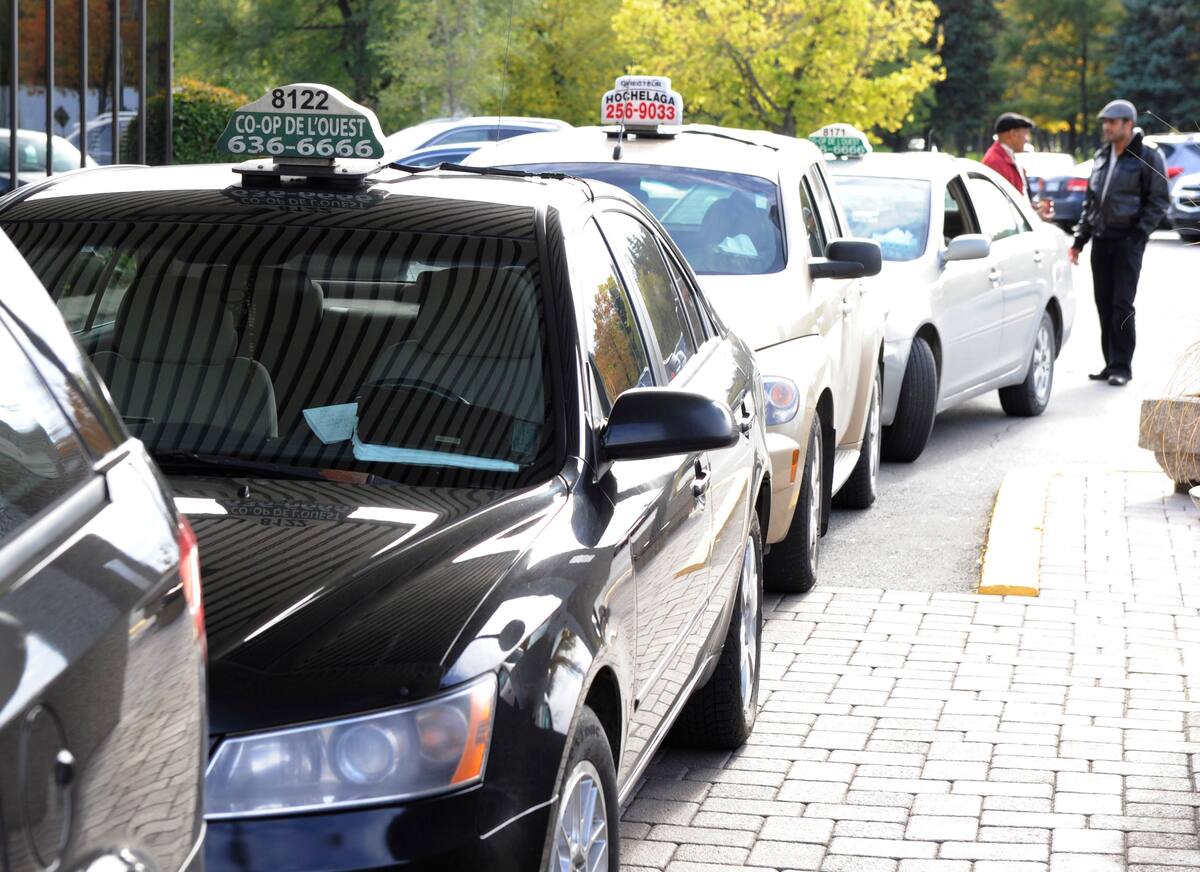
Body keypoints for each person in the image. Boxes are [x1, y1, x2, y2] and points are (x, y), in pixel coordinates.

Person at [1069, 99, 1169, 387]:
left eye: (1112, 122)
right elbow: (1091, 203)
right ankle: (1110, 363)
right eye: (1105, 123)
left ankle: (1122, 367)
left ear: (1128, 124)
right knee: (1103, 303)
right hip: (1101, 241)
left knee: (1121, 305)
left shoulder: (1147, 156)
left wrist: (1138, 235)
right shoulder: (1102, 156)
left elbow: (1159, 200)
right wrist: (1079, 240)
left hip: (1128, 242)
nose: (1107, 127)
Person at [982, 112, 1053, 219]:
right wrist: (1033, 216)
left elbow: (1017, 198)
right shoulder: (994, 162)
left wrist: (1033, 209)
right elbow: (1000, 207)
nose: (1027, 139)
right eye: (1025, 134)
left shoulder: (1007, 157)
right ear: (1012, 134)